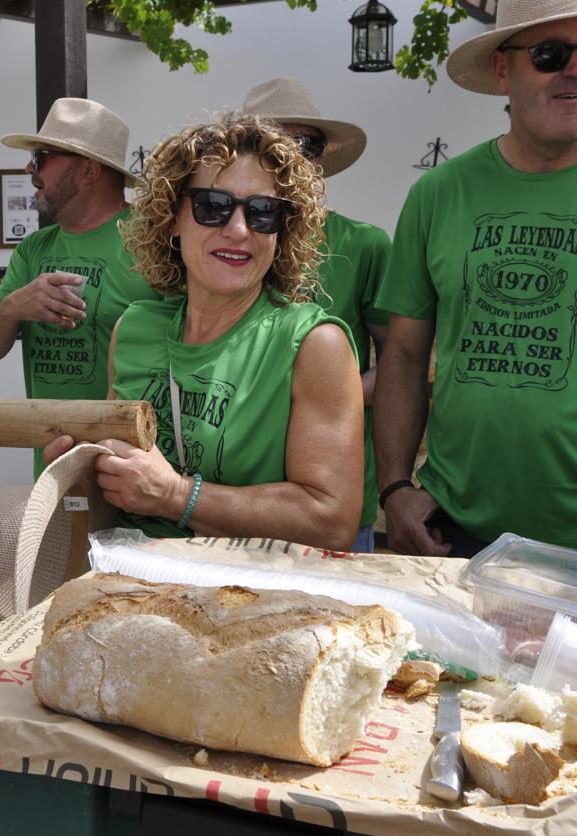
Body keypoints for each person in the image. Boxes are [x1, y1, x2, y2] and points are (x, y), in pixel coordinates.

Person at [374, 0, 577, 566]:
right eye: (549, 53)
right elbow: (401, 355)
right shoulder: (439, 194)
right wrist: (395, 489)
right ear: (502, 70)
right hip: (454, 533)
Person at [46, 114, 365, 548]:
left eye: (263, 212)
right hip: (135, 593)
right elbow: (121, 489)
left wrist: (176, 496)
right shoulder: (134, 329)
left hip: (253, 603)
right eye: (212, 206)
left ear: (282, 231)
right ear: (173, 219)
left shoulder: (314, 344)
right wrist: (82, 472)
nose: (238, 230)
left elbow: (332, 521)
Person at [0, 97, 161, 475]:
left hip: (137, 469)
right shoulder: (34, 248)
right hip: (52, 469)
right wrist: (14, 306)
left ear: (89, 170)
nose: (29, 167)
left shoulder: (154, 242)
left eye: (41, 156)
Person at [243, 77, 391, 553]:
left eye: (306, 143)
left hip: (337, 491)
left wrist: (319, 398)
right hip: (234, 484)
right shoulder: (221, 243)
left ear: (322, 156)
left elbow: (401, 366)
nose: (292, 157)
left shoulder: (364, 245)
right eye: (273, 144)